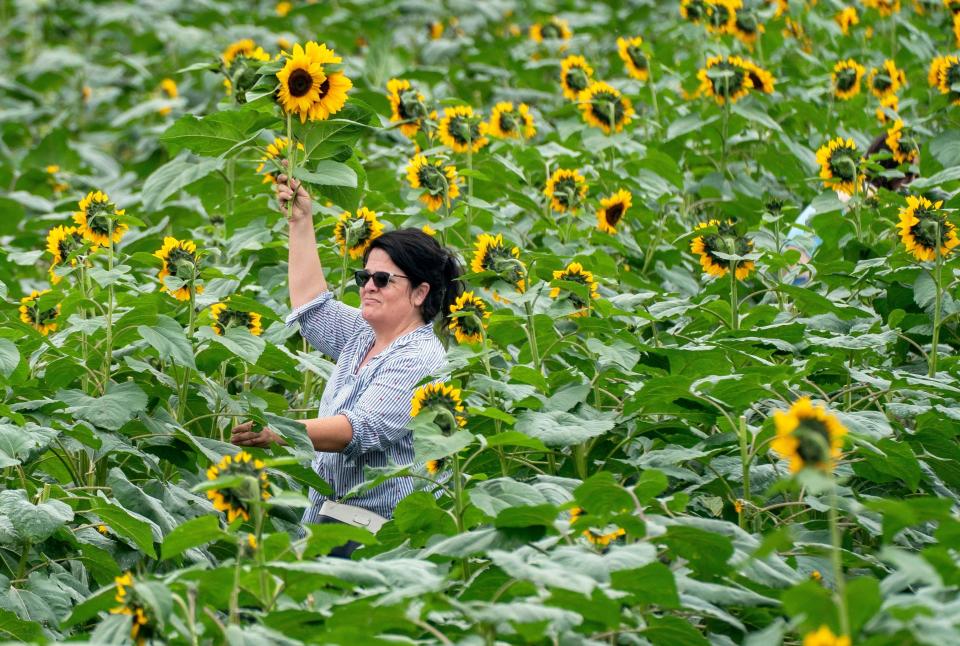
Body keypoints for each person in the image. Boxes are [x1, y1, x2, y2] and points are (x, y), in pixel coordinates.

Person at [230, 172, 463, 558]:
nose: (369, 286)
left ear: (421, 292)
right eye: (364, 276)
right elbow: (313, 306)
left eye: (383, 279)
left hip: (381, 535)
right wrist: (300, 221)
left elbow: (359, 429)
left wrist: (280, 431)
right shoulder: (363, 333)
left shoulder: (421, 358)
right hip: (333, 518)